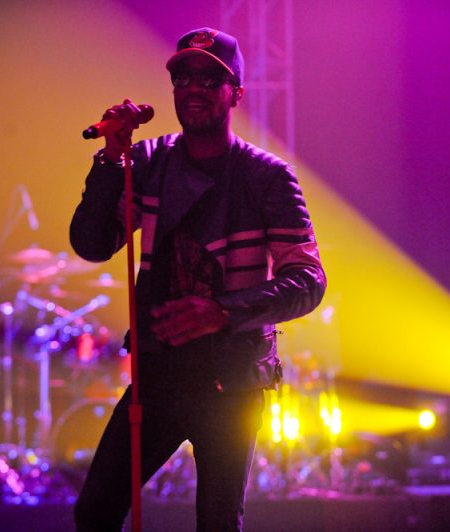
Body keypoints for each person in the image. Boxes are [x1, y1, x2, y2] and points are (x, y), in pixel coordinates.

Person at [70, 27, 326, 531]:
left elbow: (308, 279)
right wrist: (111, 160)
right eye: (183, 78)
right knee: (95, 512)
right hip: (158, 377)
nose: (194, 88)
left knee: (217, 523)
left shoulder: (267, 177)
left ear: (236, 94)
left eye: (210, 80)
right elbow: (93, 244)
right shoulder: (148, 162)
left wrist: (223, 311)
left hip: (231, 382)